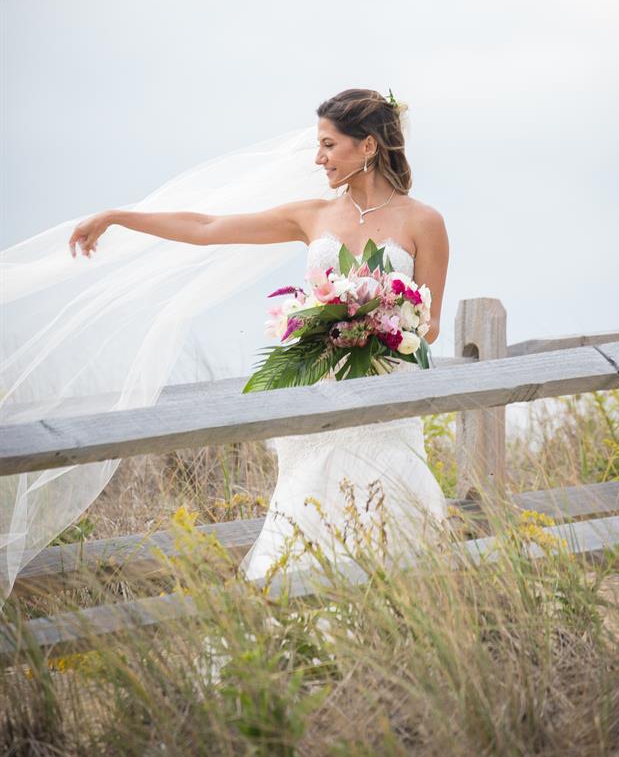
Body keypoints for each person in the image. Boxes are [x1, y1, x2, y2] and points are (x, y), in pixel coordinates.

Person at [1, 88, 449, 598]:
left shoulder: (424, 221)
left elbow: (429, 325)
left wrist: (374, 320)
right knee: (307, 508)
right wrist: (119, 216)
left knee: (392, 502)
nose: (317, 157)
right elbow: (208, 226)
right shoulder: (312, 215)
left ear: (367, 146)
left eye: (328, 145)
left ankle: (403, 620)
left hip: (385, 397)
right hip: (317, 392)